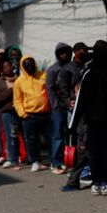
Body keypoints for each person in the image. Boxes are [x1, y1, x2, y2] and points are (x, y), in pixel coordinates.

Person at [69, 40, 107, 196]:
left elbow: (80, 102)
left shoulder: (88, 74)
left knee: (94, 152)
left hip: (92, 122)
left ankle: (96, 183)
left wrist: (72, 125)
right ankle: (105, 182)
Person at [13, 56, 51, 172]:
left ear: (35, 64)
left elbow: (50, 91)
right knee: (31, 139)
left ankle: (55, 161)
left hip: (45, 114)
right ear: (22, 67)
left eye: (31, 64)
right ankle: (36, 161)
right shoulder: (19, 81)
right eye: (26, 65)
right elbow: (17, 100)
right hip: (29, 115)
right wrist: (23, 114)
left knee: (50, 138)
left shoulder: (44, 76)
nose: (30, 66)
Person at [47, 42, 72, 175]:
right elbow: (50, 89)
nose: (65, 55)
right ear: (57, 55)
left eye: (67, 52)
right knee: (57, 135)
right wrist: (55, 105)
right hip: (58, 108)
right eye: (62, 52)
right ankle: (56, 162)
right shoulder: (52, 70)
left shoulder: (71, 67)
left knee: (69, 135)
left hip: (70, 106)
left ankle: (69, 161)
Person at [0, 59, 22, 170]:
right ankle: (13, 159)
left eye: (10, 66)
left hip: (20, 111)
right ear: (2, 70)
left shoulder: (20, 79)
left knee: (23, 136)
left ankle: (28, 158)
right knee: (11, 136)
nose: (8, 68)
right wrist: (11, 90)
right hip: (8, 112)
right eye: (5, 67)